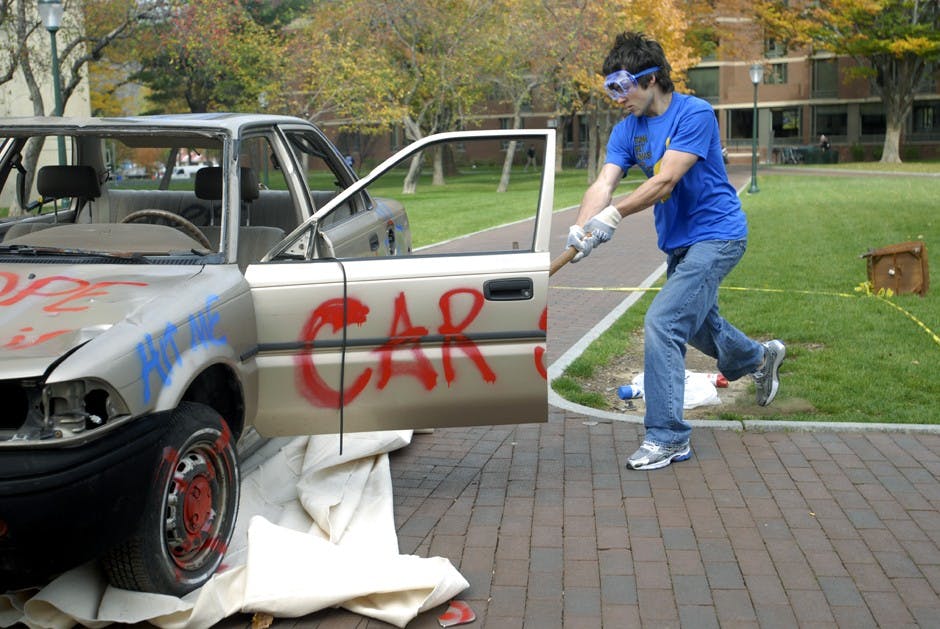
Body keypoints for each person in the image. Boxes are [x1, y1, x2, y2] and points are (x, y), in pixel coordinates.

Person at [566, 31, 785, 471]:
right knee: (701, 327)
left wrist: (612, 217)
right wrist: (580, 226)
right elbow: (603, 183)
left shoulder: (696, 114)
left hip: (718, 235)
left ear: (650, 80)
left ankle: (667, 436)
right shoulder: (628, 130)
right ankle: (761, 358)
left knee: (663, 322)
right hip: (679, 243)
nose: (617, 98)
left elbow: (665, 180)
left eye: (622, 87)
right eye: (611, 88)